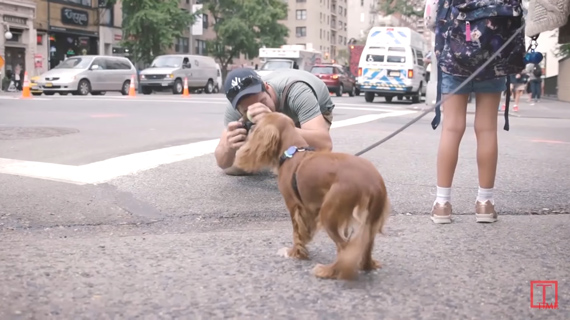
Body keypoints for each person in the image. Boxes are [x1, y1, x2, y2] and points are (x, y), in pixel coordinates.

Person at [429, 0, 526, 224]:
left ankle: (442, 204)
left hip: (454, 62)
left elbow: (432, 19)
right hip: (493, 63)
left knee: (451, 128)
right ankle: (485, 203)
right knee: (487, 129)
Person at [214, 68, 335, 175]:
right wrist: (229, 148)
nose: (257, 109)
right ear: (238, 109)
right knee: (239, 168)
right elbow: (224, 163)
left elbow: (324, 144)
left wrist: (276, 122)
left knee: (303, 165)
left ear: (266, 87)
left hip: (315, 111)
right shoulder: (236, 108)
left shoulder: (298, 92)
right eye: (248, 110)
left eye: (262, 102)